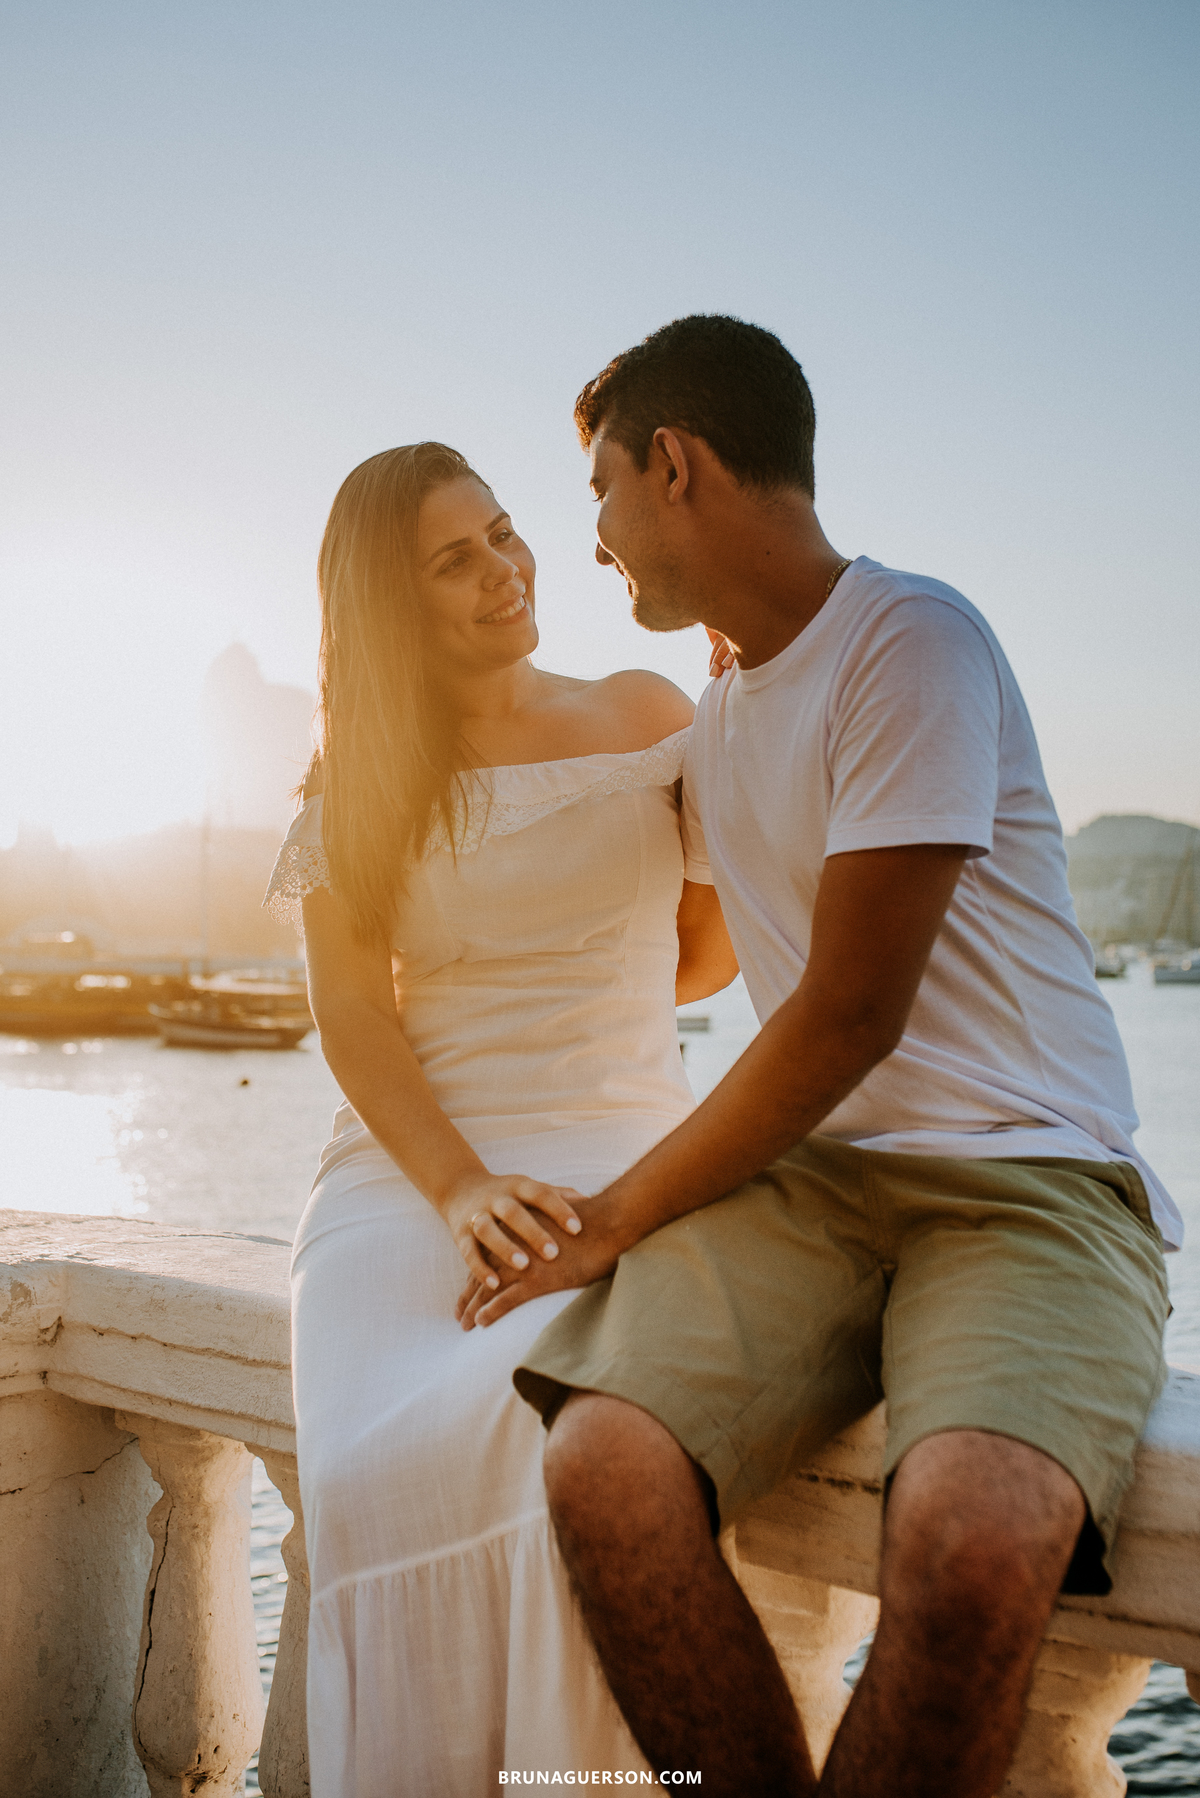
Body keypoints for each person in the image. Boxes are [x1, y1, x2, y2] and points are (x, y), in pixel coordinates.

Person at [452, 316, 1180, 1798]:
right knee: (604, 1465)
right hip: (819, 1190)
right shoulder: (722, 713)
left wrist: (617, 1211)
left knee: (977, 1537)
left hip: (1027, 1185)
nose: (592, 542)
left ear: (674, 465)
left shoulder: (914, 640)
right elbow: (688, 947)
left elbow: (852, 1012)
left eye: (597, 493)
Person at [263, 440, 738, 1795]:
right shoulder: (349, 785)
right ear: (391, 605)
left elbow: (702, 951)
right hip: (413, 1177)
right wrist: (462, 1184)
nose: (504, 572)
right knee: (398, 1465)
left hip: (624, 1156)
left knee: (567, 1440)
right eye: (453, 561)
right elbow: (352, 1015)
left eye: (507, 533)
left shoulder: (652, 712)